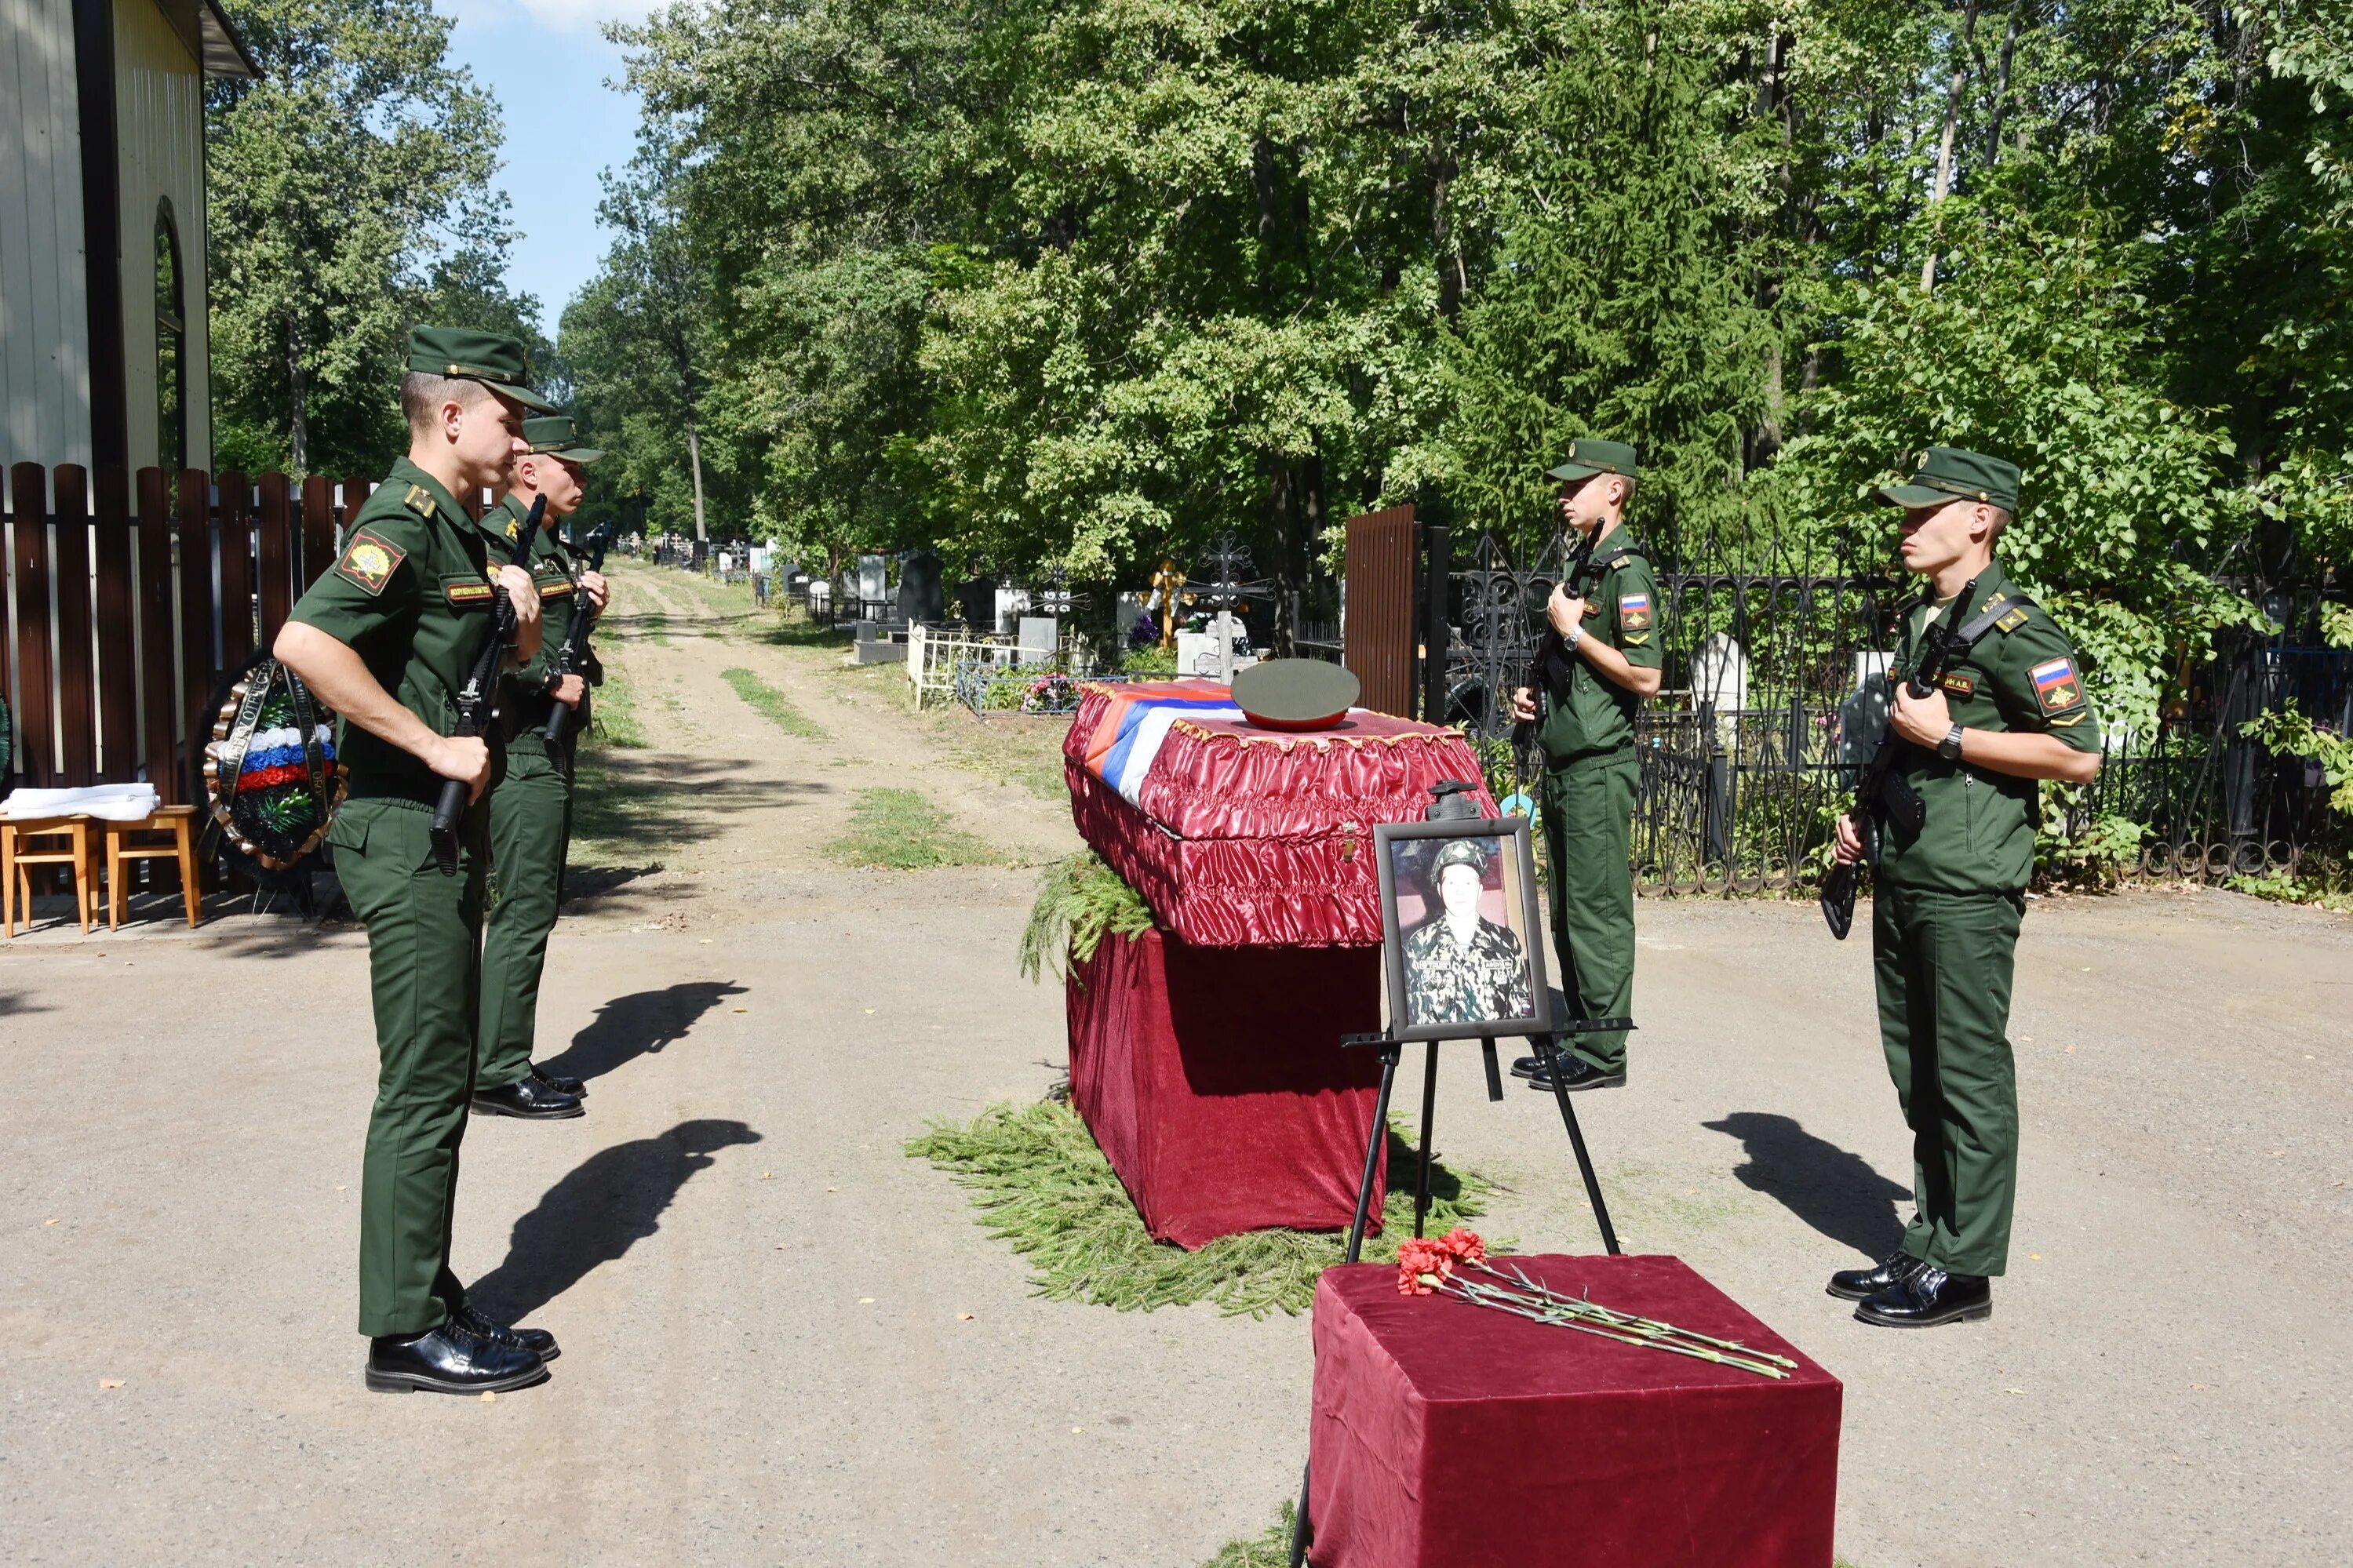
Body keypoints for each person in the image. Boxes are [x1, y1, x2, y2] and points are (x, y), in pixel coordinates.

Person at [273, 326, 563, 1395]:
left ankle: (430, 1296)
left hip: (435, 828)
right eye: (509, 413)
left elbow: (481, 667)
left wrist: (519, 618)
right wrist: (433, 742)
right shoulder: (398, 519)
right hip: (400, 824)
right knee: (427, 1079)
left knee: (436, 1072)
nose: (521, 434)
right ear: (452, 414)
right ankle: (402, 1330)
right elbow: (305, 641)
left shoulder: (458, 529)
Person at [1826, 446, 2102, 1328]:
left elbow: (2078, 754)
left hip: (1967, 880)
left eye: (1922, 512)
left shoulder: (2018, 628)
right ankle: (1931, 1239)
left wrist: (1952, 741)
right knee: (1918, 1069)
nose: (1904, 527)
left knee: (1967, 1072)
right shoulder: (1930, 616)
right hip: (1910, 865)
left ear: (1979, 517)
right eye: (1903, 513)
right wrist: (1867, 815)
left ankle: (1967, 1269)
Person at [1506, 438, 1662, 1091]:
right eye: (1562, 486)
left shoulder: (1626, 572)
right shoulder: (1587, 564)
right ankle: (1580, 1034)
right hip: (1567, 757)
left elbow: (1646, 675)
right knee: (1568, 908)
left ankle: (1603, 1053)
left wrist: (1572, 633)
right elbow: (1584, 675)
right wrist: (1536, 697)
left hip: (1600, 764)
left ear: (1615, 489)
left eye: (1577, 485)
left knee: (1595, 907)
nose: (1564, 496)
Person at [472, 415, 610, 1120]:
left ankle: (506, 1055)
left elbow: (551, 638)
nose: (581, 483)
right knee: (524, 906)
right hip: (520, 742)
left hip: (550, 742)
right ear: (531, 473)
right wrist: (543, 685)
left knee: (536, 903)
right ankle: (496, 1069)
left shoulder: (551, 548)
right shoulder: (500, 542)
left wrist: (585, 617)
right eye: (572, 470)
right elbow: (481, 647)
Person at [1402, 837, 1534, 1026]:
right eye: (1452, 883)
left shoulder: (1506, 942)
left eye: (1468, 883)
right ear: (1440, 890)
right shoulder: (1419, 944)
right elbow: (1413, 1013)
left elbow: (1522, 1013)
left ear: (1480, 890)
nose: (1460, 892)